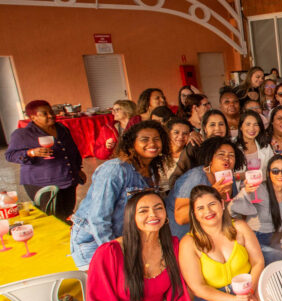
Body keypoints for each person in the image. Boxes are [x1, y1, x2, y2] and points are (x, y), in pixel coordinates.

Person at [70, 121, 171, 269]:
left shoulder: (152, 171)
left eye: (157, 139)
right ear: (131, 144)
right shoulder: (115, 170)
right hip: (94, 242)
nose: (152, 143)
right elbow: (98, 219)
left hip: (125, 240)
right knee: (107, 287)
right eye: (144, 139)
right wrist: (114, 251)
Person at [6, 100, 84, 220]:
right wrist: (31, 153)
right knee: (53, 216)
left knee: (68, 212)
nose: (51, 115)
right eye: (45, 113)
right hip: (43, 182)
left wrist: (78, 169)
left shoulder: (61, 128)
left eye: (51, 111)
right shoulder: (23, 134)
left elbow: (73, 150)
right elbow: (10, 155)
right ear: (33, 117)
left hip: (67, 178)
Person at [167, 137, 244, 238]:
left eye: (231, 155)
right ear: (210, 158)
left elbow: (229, 208)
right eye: (221, 154)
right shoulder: (195, 177)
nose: (227, 158)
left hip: (209, 233)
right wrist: (212, 194)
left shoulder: (228, 177)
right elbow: (180, 217)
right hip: (184, 236)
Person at [230, 155, 282, 264]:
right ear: (268, 173)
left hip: (276, 236)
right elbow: (232, 209)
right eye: (275, 171)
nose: (280, 174)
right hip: (255, 236)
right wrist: (245, 192)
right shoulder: (258, 189)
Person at [160, 118, 191, 191]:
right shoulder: (159, 153)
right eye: (176, 132)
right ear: (168, 133)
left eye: (185, 133)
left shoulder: (189, 156)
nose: (180, 137)